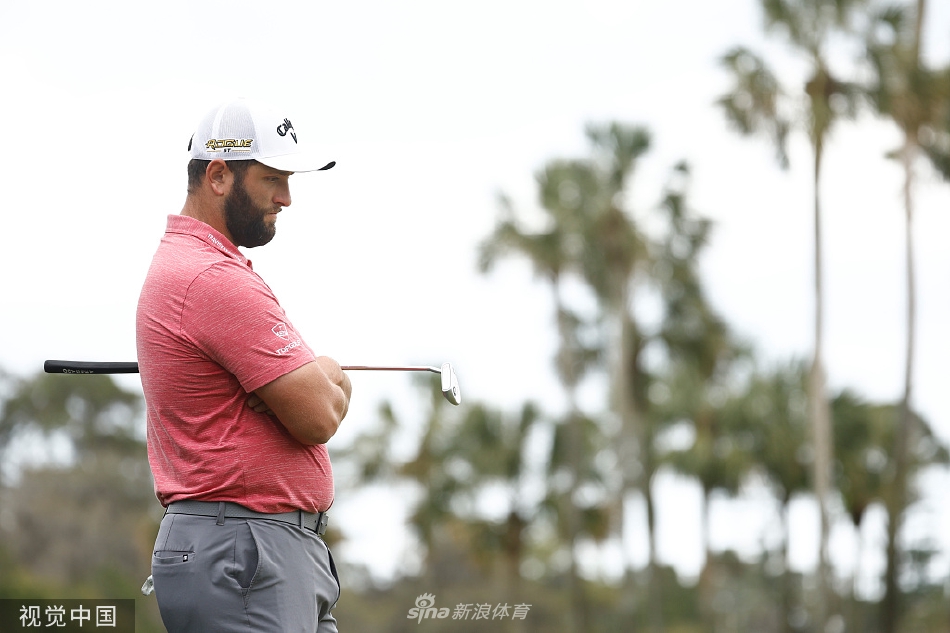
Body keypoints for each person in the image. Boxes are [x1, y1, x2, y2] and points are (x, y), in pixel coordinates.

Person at [135, 98, 352, 632]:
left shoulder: (199, 267)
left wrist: (315, 377)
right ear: (218, 176)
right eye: (272, 179)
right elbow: (319, 415)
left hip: (254, 551)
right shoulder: (213, 279)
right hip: (246, 553)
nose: (287, 198)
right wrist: (328, 369)